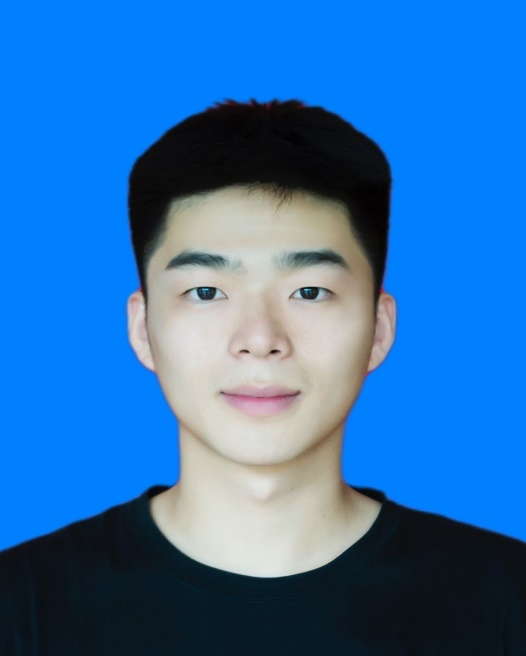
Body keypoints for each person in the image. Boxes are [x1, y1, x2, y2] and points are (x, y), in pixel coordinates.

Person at [1, 99, 525, 654]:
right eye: (206, 292)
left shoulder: (505, 599)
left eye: (310, 291)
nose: (259, 338)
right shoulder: (19, 606)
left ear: (378, 328)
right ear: (142, 329)